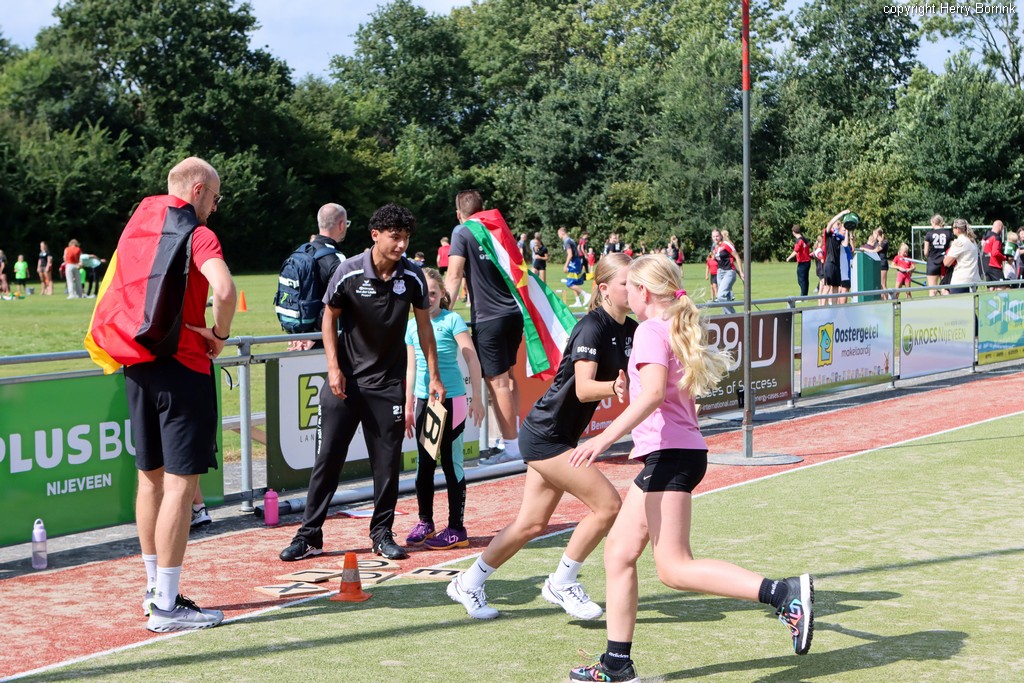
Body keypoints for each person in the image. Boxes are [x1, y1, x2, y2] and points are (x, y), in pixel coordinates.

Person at [567, 254, 814, 682]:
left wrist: (603, 438)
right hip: (675, 453)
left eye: (630, 287)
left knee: (674, 568)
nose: (626, 295)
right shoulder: (672, 327)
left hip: (671, 455)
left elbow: (653, 394)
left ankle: (782, 593)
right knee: (619, 553)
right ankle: (616, 664)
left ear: (643, 291)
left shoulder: (649, 331)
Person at [446, 253, 636, 620]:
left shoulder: (631, 329)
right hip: (546, 435)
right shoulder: (592, 327)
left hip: (557, 436)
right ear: (604, 289)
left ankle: (467, 582)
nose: (634, 289)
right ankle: (562, 581)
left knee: (531, 524)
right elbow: (583, 388)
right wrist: (614, 387)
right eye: (626, 283)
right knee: (608, 506)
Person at [106, 157, 235, 631]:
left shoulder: (138, 227)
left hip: (138, 365)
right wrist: (219, 334)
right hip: (183, 368)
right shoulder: (198, 234)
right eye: (215, 198)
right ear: (198, 190)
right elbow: (224, 289)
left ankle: (153, 590)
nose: (215, 208)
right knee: (181, 486)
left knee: (150, 481)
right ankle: (165, 605)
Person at [280, 203, 444, 563]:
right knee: (327, 460)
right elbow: (328, 318)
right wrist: (333, 368)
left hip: (388, 385)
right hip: (346, 383)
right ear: (375, 235)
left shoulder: (413, 276)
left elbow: (424, 328)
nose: (401, 245)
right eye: (395, 237)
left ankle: (381, 534)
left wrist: (434, 376)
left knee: (387, 465)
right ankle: (309, 536)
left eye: (406, 238)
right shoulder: (348, 271)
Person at [403, 268, 485, 550]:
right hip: (425, 402)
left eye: (433, 293)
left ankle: (456, 528)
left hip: (453, 402)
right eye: (423, 294)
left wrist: (477, 397)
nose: (428, 298)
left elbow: (472, 360)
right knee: (424, 465)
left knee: (451, 464)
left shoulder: (452, 320)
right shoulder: (411, 326)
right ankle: (425, 522)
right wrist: (409, 406)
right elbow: (411, 369)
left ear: (442, 294)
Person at [444, 190, 525, 465]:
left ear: (459, 213)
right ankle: (513, 438)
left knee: (498, 383)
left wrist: (442, 313)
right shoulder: (497, 227)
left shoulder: (462, 231)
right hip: (514, 313)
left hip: (489, 317)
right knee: (509, 378)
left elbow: (454, 275)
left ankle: (512, 449)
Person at [284, 203, 349, 352]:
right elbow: (333, 302)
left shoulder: (301, 252)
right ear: (341, 225)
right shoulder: (337, 259)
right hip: (325, 339)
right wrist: (313, 337)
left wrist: (300, 335)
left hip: (298, 337)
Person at [821, 210, 853, 304]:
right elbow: (830, 223)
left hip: (836, 265)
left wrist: (847, 230)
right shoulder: (829, 234)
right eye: (836, 224)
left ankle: (835, 308)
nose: (838, 226)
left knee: (835, 287)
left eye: (839, 225)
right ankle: (822, 307)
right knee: (827, 287)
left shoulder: (838, 237)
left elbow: (845, 244)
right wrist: (842, 213)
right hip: (829, 263)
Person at [944, 219, 980, 295]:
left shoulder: (959, 242)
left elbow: (946, 263)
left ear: (958, 229)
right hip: (973, 279)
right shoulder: (972, 241)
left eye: (953, 228)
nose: (952, 230)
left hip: (961, 280)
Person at [710, 229, 743, 313]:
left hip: (729, 272)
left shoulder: (726, 244)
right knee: (725, 297)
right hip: (720, 272)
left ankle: (732, 316)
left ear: (721, 236)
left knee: (720, 296)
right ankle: (727, 316)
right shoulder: (715, 247)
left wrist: (741, 272)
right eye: (713, 236)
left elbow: (737, 257)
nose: (715, 238)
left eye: (717, 236)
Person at [558, 227, 591, 308]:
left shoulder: (566, 241)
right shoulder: (571, 240)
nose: (558, 235)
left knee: (569, 283)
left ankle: (585, 295)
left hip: (574, 263)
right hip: (576, 262)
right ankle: (578, 301)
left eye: (558, 233)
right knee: (574, 283)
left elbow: (570, 254)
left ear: (562, 233)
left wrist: (565, 265)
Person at [923, 214, 953, 296]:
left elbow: (925, 252)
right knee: (945, 290)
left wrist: (929, 257)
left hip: (932, 263)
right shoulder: (948, 233)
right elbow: (951, 250)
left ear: (933, 222)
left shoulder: (929, 234)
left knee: (932, 290)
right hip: (945, 262)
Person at [862, 228, 890, 299]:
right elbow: (871, 246)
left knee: (883, 284)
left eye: (874, 233)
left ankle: (886, 301)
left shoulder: (885, 242)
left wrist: (864, 249)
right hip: (877, 264)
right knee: (879, 285)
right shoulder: (876, 243)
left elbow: (875, 250)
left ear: (877, 234)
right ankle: (882, 299)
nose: (873, 235)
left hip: (883, 264)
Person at [785, 225, 812, 297]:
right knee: (805, 279)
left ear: (793, 232)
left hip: (803, 262)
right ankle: (805, 295)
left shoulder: (799, 241)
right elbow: (808, 244)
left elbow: (795, 251)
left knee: (801, 280)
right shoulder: (804, 239)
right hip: (807, 262)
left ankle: (803, 296)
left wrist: (788, 258)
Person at [981, 220, 1008, 289]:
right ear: (1000, 227)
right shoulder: (996, 237)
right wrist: (1004, 257)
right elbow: (995, 252)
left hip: (985, 266)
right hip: (994, 266)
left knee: (991, 288)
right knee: (1002, 287)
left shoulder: (986, 237)